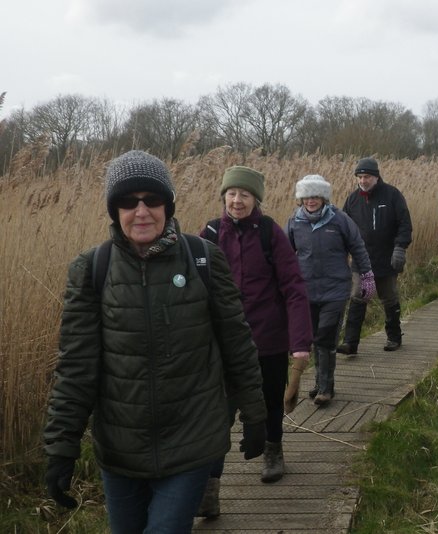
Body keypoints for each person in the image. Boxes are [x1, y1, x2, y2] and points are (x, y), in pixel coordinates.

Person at [43, 150, 266, 533]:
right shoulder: (91, 269)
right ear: (115, 210)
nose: (141, 211)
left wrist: (255, 413)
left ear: (169, 205)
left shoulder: (203, 259)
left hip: (191, 440)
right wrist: (61, 445)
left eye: (153, 200)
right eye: (129, 202)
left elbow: (236, 342)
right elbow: (76, 366)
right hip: (120, 448)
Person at [197, 165, 312, 514]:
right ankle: (210, 490)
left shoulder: (270, 234)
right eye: (231, 194)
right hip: (223, 344)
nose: (237, 200)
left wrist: (300, 343)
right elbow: (195, 288)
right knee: (218, 415)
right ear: (223, 196)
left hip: (269, 338)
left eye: (244, 194)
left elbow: (293, 288)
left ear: (255, 199)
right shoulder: (211, 234)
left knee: (269, 400)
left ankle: (273, 452)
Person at [286, 174, 374, 405]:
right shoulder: (295, 221)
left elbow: (358, 248)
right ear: (301, 199)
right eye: (306, 197)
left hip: (335, 289)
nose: (311, 201)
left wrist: (366, 278)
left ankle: (326, 388)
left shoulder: (340, 220)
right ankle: (319, 383)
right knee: (315, 337)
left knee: (326, 335)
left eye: (315, 196)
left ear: (324, 197)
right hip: (306, 290)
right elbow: (284, 255)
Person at [337, 157, 413, 354]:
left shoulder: (392, 195)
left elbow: (404, 224)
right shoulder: (352, 200)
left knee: (389, 298)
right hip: (362, 261)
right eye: (360, 177)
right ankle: (350, 342)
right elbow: (343, 229)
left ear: (376, 177)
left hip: (387, 259)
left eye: (367, 177)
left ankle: (394, 337)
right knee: (358, 296)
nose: (363, 181)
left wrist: (400, 248)